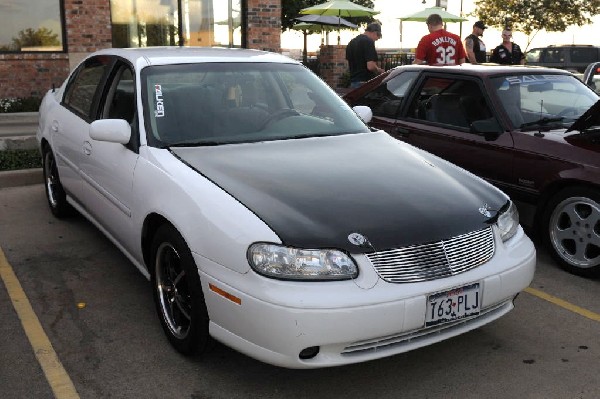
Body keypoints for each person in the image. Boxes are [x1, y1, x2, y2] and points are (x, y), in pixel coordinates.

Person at [345, 23, 385, 88]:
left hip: (353, 83)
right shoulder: (368, 42)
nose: (375, 40)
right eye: (376, 38)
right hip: (365, 83)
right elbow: (370, 67)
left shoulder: (351, 42)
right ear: (375, 33)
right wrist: (379, 70)